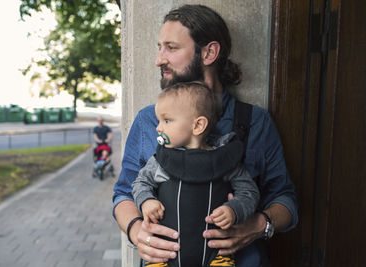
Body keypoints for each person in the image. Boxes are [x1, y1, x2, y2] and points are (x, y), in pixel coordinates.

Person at [113, 4, 298, 266]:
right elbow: (123, 193)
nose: (159, 59)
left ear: (209, 52)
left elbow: (286, 200)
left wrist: (258, 225)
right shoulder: (148, 120)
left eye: (171, 47)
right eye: (159, 47)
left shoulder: (256, 122)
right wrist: (136, 230)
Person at [131, 82, 259, 267]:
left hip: (216, 254)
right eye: (158, 121)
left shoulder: (225, 160)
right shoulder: (161, 161)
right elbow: (139, 183)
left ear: (198, 125)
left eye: (166, 120)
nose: (158, 128)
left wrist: (235, 209)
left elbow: (249, 192)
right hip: (164, 256)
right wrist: (146, 201)